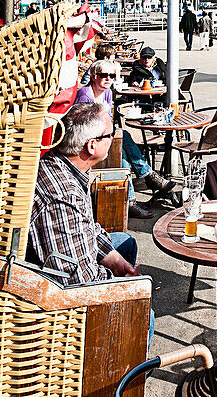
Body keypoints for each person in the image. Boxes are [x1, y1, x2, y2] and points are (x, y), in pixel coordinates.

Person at [27, 103, 140, 284]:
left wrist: (115, 260)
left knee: (126, 242)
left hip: (67, 260)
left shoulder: (64, 164)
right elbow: (78, 281)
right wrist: (124, 283)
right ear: (92, 146)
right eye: (110, 135)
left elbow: (86, 226)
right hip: (57, 292)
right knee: (143, 306)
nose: (114, 138)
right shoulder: (65, 197)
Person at [75, 60, 165, 219]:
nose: (108, 79)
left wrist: (108, 132)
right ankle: (147, 176)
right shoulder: (85, 94)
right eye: (104, 75)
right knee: (123, 139)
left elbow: (109, 118)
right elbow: (86, 126)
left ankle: (131, 200)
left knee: (122, 154)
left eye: (112, 75)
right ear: (93, 76)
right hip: (88, 143)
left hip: (103, 136)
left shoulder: (107, 92)